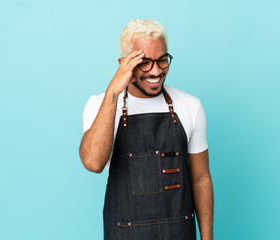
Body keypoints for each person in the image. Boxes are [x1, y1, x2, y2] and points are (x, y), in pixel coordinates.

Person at [79, 19, 214, 240]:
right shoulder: (100, 105)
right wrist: (114, 88)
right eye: (145, 62)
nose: (156, 71)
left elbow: (201, 178)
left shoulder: (190, 106)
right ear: (124, 63)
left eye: (162, 61)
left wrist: (208, 238)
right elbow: (93, 163)